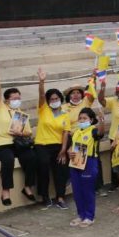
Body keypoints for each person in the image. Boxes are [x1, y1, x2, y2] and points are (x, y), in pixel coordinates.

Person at [0, 63, 36, 206]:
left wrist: (21, 132)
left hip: (16, 144)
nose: (16, 100)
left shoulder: (21, 114)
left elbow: (28, 132)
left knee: (31, 156)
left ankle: (28, 187)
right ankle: (5, 191)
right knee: (8, 159)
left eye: (18, 97)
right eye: (14, 98)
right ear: (7, 99)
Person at [34, 70, 70, 209]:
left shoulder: (65, 115)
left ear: (60, 99)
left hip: (58, 146)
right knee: (43, 166)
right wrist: (42, 81)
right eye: (52, 99)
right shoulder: (43, 109)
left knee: (60, 169)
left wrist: (63, 150)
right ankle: (44, 196)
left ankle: (60, 197)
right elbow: (41, 95)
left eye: (56, 99)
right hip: (42, 145)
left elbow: (66, 133)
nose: (54, 101)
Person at [65, 107, 102, 227]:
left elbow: (101, 133)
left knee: (87, 191)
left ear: (91, 120)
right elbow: (71, 146)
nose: (82, 120)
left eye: (84, 118)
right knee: (77, 191)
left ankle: (89, 216)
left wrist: (102, 120)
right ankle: (80, 215)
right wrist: (69, 152)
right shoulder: (76, 132)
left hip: (89, 162)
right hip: (75, 162)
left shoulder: (93, 130)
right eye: (80, 118)